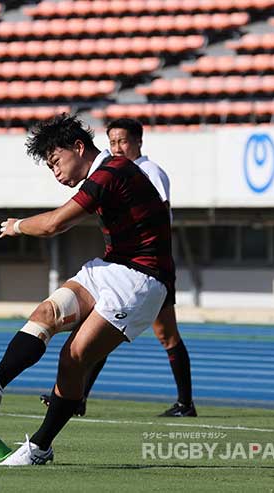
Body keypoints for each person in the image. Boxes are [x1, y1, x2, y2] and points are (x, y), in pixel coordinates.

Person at [0, 114, 175, 465]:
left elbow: (55, 224)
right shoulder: (106, 173)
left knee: (73, 357)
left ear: (79, 147)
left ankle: (39, 448)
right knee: (46, 313)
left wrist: (17, 226)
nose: (56, 172)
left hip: (142, 279)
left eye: (56, 162)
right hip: (111, 267)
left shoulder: (112, 171)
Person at [39, 118, 195, 418]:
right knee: (102, 328)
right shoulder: (109, 171)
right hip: (127, 266)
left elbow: (157, 216)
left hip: (150, 265)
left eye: (122, 141)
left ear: (138, 141)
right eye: (112, 142)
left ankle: (186, 402)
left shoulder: (149, 172)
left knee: (166, 334)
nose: (117, 147)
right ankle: (80, 395)